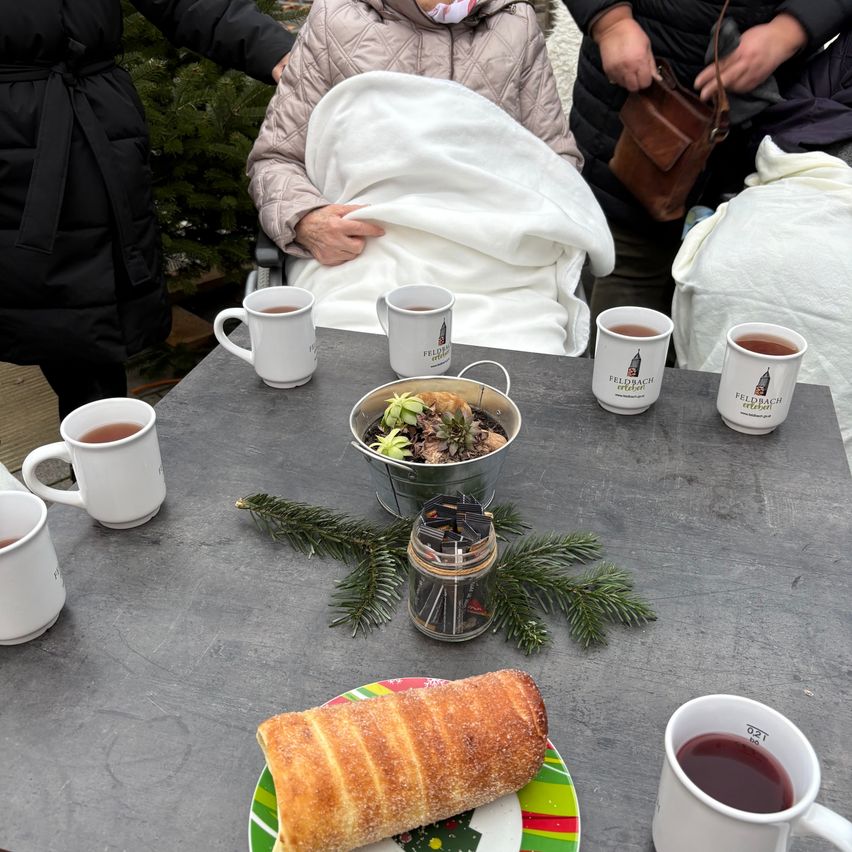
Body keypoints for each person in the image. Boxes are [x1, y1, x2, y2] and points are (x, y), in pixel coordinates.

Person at [0, 0, 293, 421]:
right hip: (17, 132)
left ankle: (106, 460)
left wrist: (277, 50)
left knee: (88, 335)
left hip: (98, 132)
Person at [561, 0, 852, 354]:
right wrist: (609, 21)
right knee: (624, 299)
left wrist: (789, 30)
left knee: (732, 311)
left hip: (760, 128)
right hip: (638, 117)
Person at [247, 0, 584, 265]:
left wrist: (518, 225)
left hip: (492, 253)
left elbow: (556, 163)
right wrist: (307, 220)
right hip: (363, 252)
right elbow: (276, 157)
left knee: (528, 346)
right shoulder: (334, 19)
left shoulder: (516, 26)